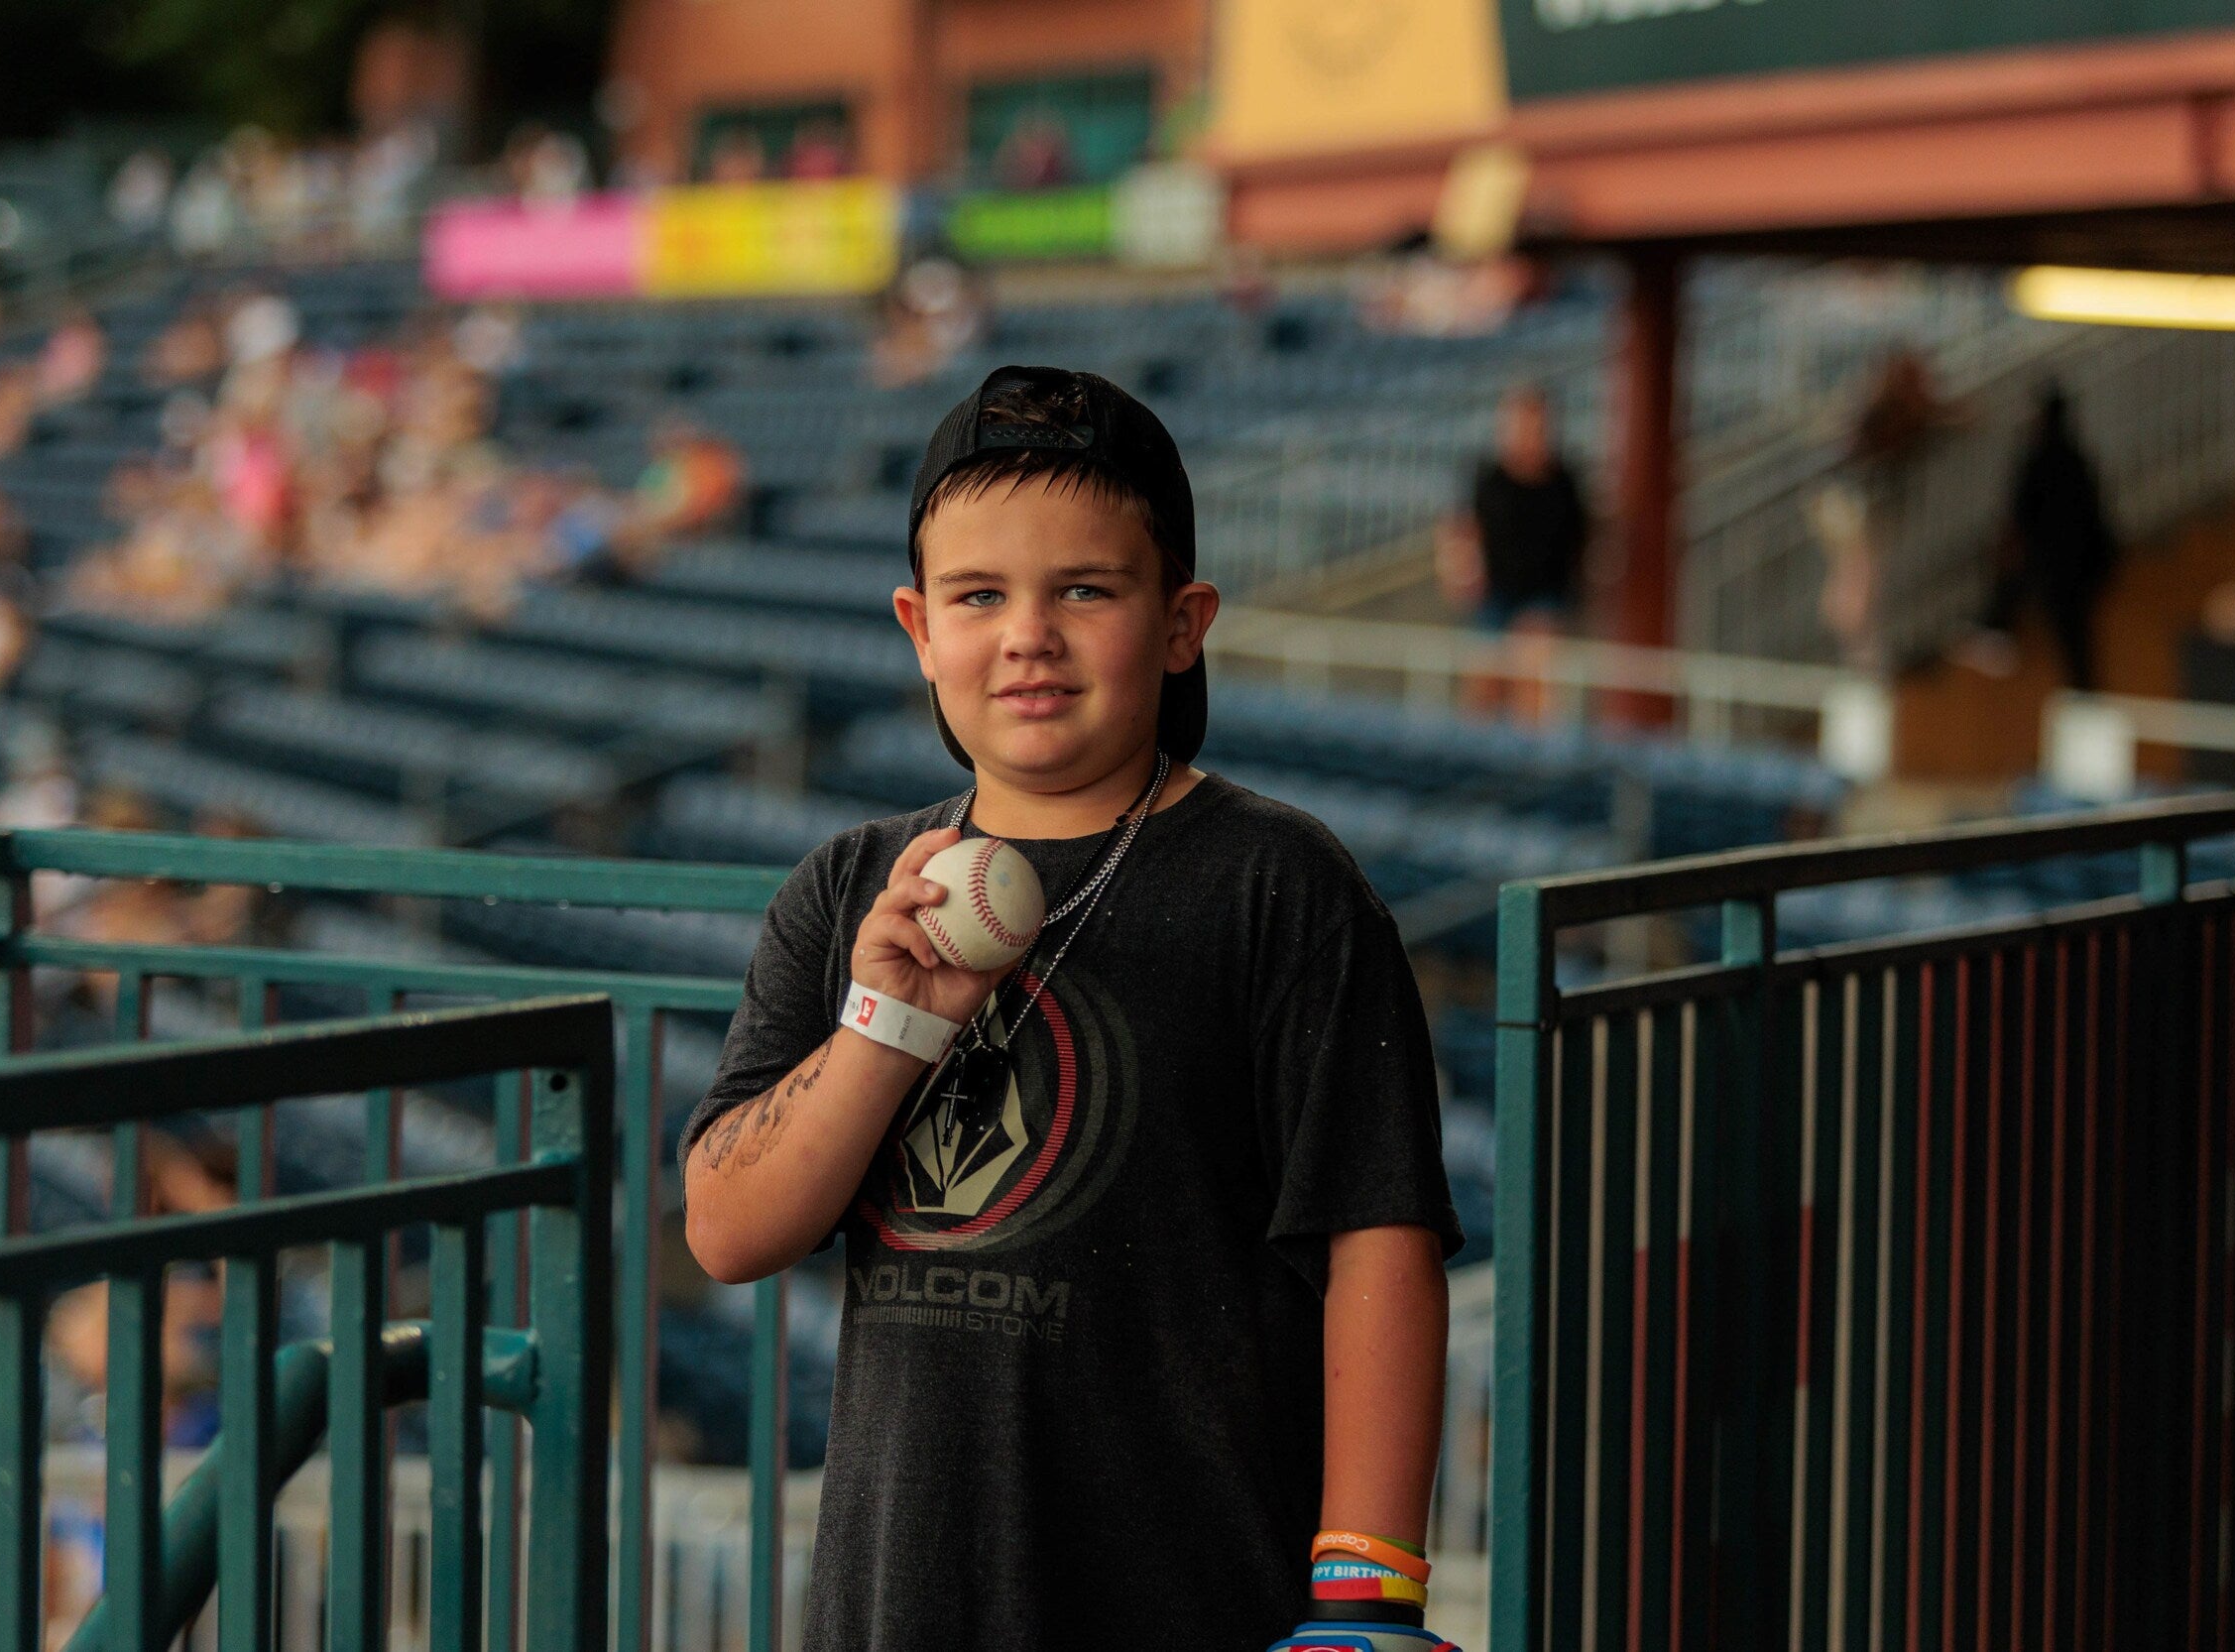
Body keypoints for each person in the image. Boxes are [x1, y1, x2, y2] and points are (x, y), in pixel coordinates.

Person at [679, 366, 1464, 1652]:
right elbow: (724, 1226)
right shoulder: (846, 888)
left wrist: (1366, 1598)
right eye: (979, 596)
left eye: (1084, 590)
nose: (1026, 633)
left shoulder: (1279, 883)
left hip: (1186, 1588)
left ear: (1181, 619)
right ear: (918, 627)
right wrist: (887, 1023)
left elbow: (1378, 1238)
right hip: (900, 1599)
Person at [1440, 385, 1589, 717]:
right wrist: (1459, 573)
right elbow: (1461, 531)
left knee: (1534, 671)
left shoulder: (1564, 482)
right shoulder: (1489, 480)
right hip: (1496, 596)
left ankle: (1530, 759)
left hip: (1545, 597)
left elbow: (1582, 542)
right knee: (1483, 685)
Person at [1980, 383, 2119, 691]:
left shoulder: (2044, 458)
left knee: (2074, 639)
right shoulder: (2075, 457)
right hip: (2072, 564)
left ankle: (2084, 697)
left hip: (2060, 565)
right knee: (2076, 643)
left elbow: (2020, 515)